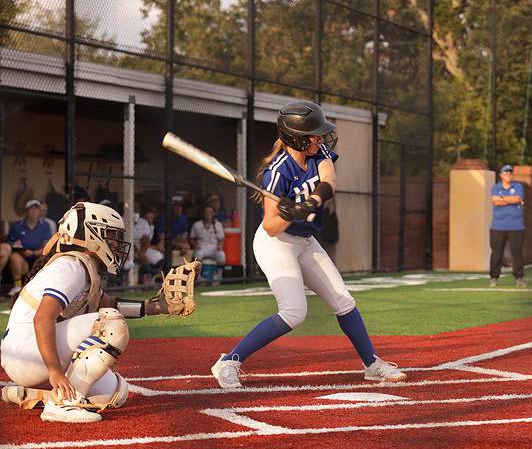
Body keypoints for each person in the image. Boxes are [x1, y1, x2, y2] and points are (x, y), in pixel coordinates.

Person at [210, 100, 406, 388]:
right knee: (294, 311)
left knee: (343, 300)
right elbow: (271, 225)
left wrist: (311, 201)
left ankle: (372, 364)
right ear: (295, 138)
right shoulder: (277, 173)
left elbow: (330, 179)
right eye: (313, 135)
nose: (319, 139)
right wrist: (289, 213)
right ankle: (230, 361)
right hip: (275, 243)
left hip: (305, 240)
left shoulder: (318, 153)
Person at [0, 202, 178, 423]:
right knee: (110, 323)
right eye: (110, 235)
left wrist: (154, 307)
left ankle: (29, 393)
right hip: (27, 351)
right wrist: (55, 371)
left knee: (115, 392)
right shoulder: (72, 266)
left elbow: (109, 303)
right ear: (91, 233)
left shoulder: (82, 266)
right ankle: (62, 404)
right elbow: (42, 318)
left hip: (28, 358)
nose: (115, 243)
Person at [2, 199, 53, 297]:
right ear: (26, 211)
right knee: (14, 256)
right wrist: (16, 245)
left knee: (48, 257)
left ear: (39, 211)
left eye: (36, 208)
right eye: (31, 208)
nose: (34, 210)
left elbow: (47, 246)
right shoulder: (17, 226)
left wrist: (33, 253)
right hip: (23, 260)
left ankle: (43, 287)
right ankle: (17, 286)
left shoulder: (45, 226)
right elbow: (9, 244)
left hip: (39, 259)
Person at [489, 164, 526, 288]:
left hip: (516, 226)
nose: (508, 175)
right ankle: (494, 277)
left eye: (510, 173)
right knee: (496, 253)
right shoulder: (495, 187)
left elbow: (517, 199)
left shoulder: (518, 186)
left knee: (517, 253)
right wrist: (509, 200)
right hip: (498, 226)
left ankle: (519, 277)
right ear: (501, 175)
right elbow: (495, 201)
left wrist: (503, 198)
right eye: (505, 173)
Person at [132, 207, 164, 285]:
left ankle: (149, 277)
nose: (150, 219)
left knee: (158, 257)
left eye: (152, 218)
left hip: (142, 248)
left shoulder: (143, 223)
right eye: (148, 217)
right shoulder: (125, 220)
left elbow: (146, 240)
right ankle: (142, 279)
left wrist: (142, 254)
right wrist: (140, 254)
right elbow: (129, 241)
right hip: (130, 248)